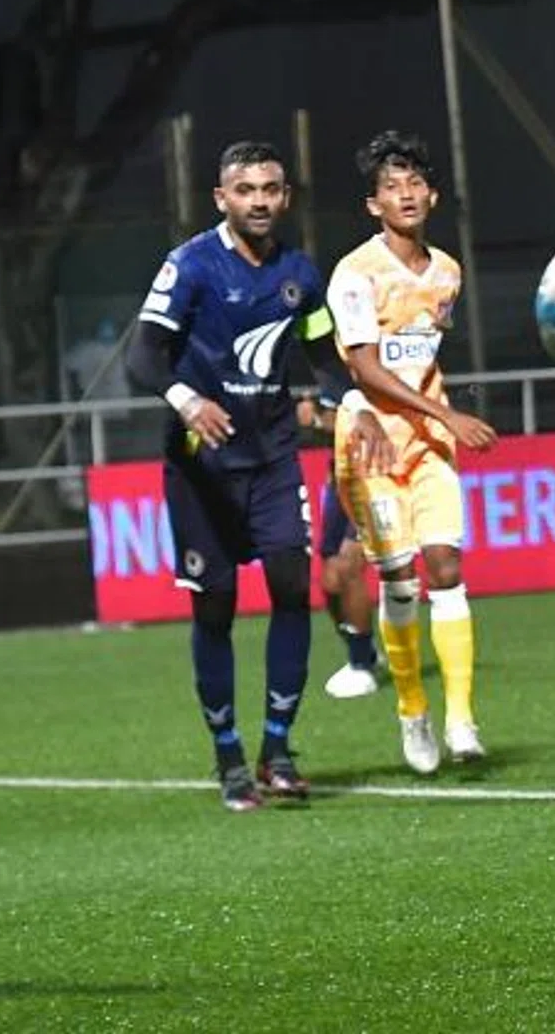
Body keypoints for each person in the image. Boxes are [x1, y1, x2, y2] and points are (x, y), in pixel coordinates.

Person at [125, 140, 391, 812]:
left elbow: (326, 355)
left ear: (286, 196)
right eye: (246, 190)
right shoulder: (189, 266)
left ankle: (277, 748)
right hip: (200, 464)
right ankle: (228, 759)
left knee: (289, 582)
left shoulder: (299, 274)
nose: (260, 201)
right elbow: (142, 354)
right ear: (222, 198)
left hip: (271, 457)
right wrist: (188, 399)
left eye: (271, 189)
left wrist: (349, 402)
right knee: (213, 605)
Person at [327, 130, 498, 775]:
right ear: (373, 205)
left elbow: (424, 350)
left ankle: (461, 718)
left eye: (414, 185)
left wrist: (438, 421)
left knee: (446, 566)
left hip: (428, 445)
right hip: (370, 442)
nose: (406, 196)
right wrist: (447, 412)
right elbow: (366, 369)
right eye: (391, 188)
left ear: (432, 194)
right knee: (397, 575)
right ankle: (412, 709)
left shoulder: (447, 271)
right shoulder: (354, 274)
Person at [293, 393, 381, 698]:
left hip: (375, 479)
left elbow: (366, 424)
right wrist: (314, 421)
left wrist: (316, 420)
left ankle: (361, 667)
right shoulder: (329, 369)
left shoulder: (368, 365)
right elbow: (334, 427)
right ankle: (365, 650)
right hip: (340, 483)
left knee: (348, 566)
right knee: (329, 582)